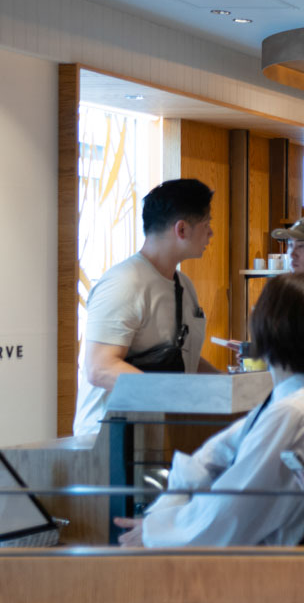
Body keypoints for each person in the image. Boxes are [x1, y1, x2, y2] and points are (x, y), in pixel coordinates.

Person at [114, 273, 304, 547]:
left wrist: (156, 531)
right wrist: (163, 522)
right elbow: (209, 458)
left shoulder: (295, 413)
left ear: (270, 328)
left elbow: (232, 513)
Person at [76, 178, 217, 437]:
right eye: (206, 225)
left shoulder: (183, 284)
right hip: (107, 440)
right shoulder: (123, 283)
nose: (211, 234)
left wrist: (227, 387)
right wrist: (176, 396)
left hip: (156, 432)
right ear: (182, 229)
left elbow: (184, 360)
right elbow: (101, 368)